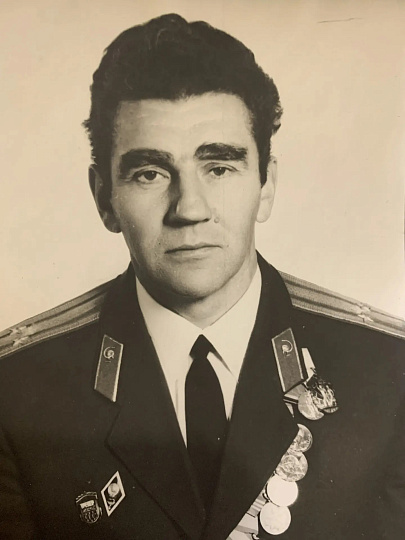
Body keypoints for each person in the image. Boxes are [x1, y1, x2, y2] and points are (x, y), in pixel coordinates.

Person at [0, 13, 404, 540]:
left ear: (266, 185)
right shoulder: (16, 392)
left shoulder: (388, 373)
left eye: (219, 167)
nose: (189, 208)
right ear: (104, 199)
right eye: (150, 173)